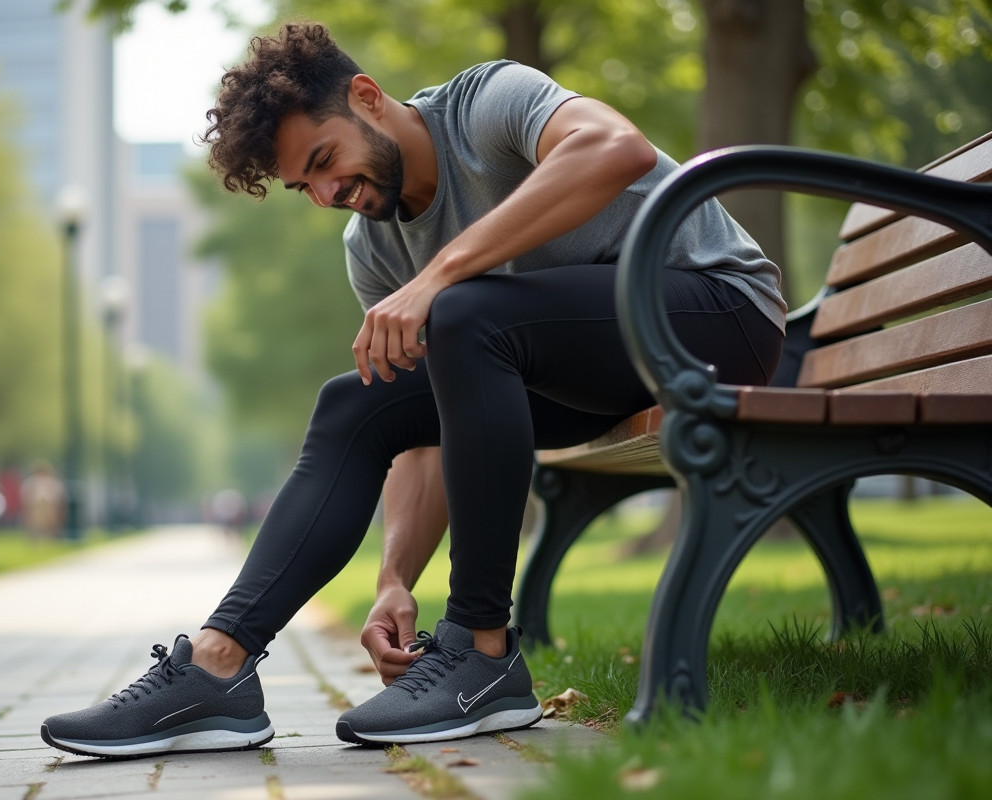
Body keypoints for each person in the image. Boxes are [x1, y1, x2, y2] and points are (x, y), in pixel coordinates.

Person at [41, 22, 785, 757]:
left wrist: (438, 278)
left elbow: (616, 149)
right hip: (587, 368)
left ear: (366, 97)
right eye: (306, 186)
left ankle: (482, 652)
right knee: (357, 403)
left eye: (325, 160)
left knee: (466, 314)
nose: (328, 194)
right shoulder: (372, 248)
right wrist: (396, 577)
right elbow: (435, 427)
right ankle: (218, 666)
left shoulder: (488, 103)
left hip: (717, 317)